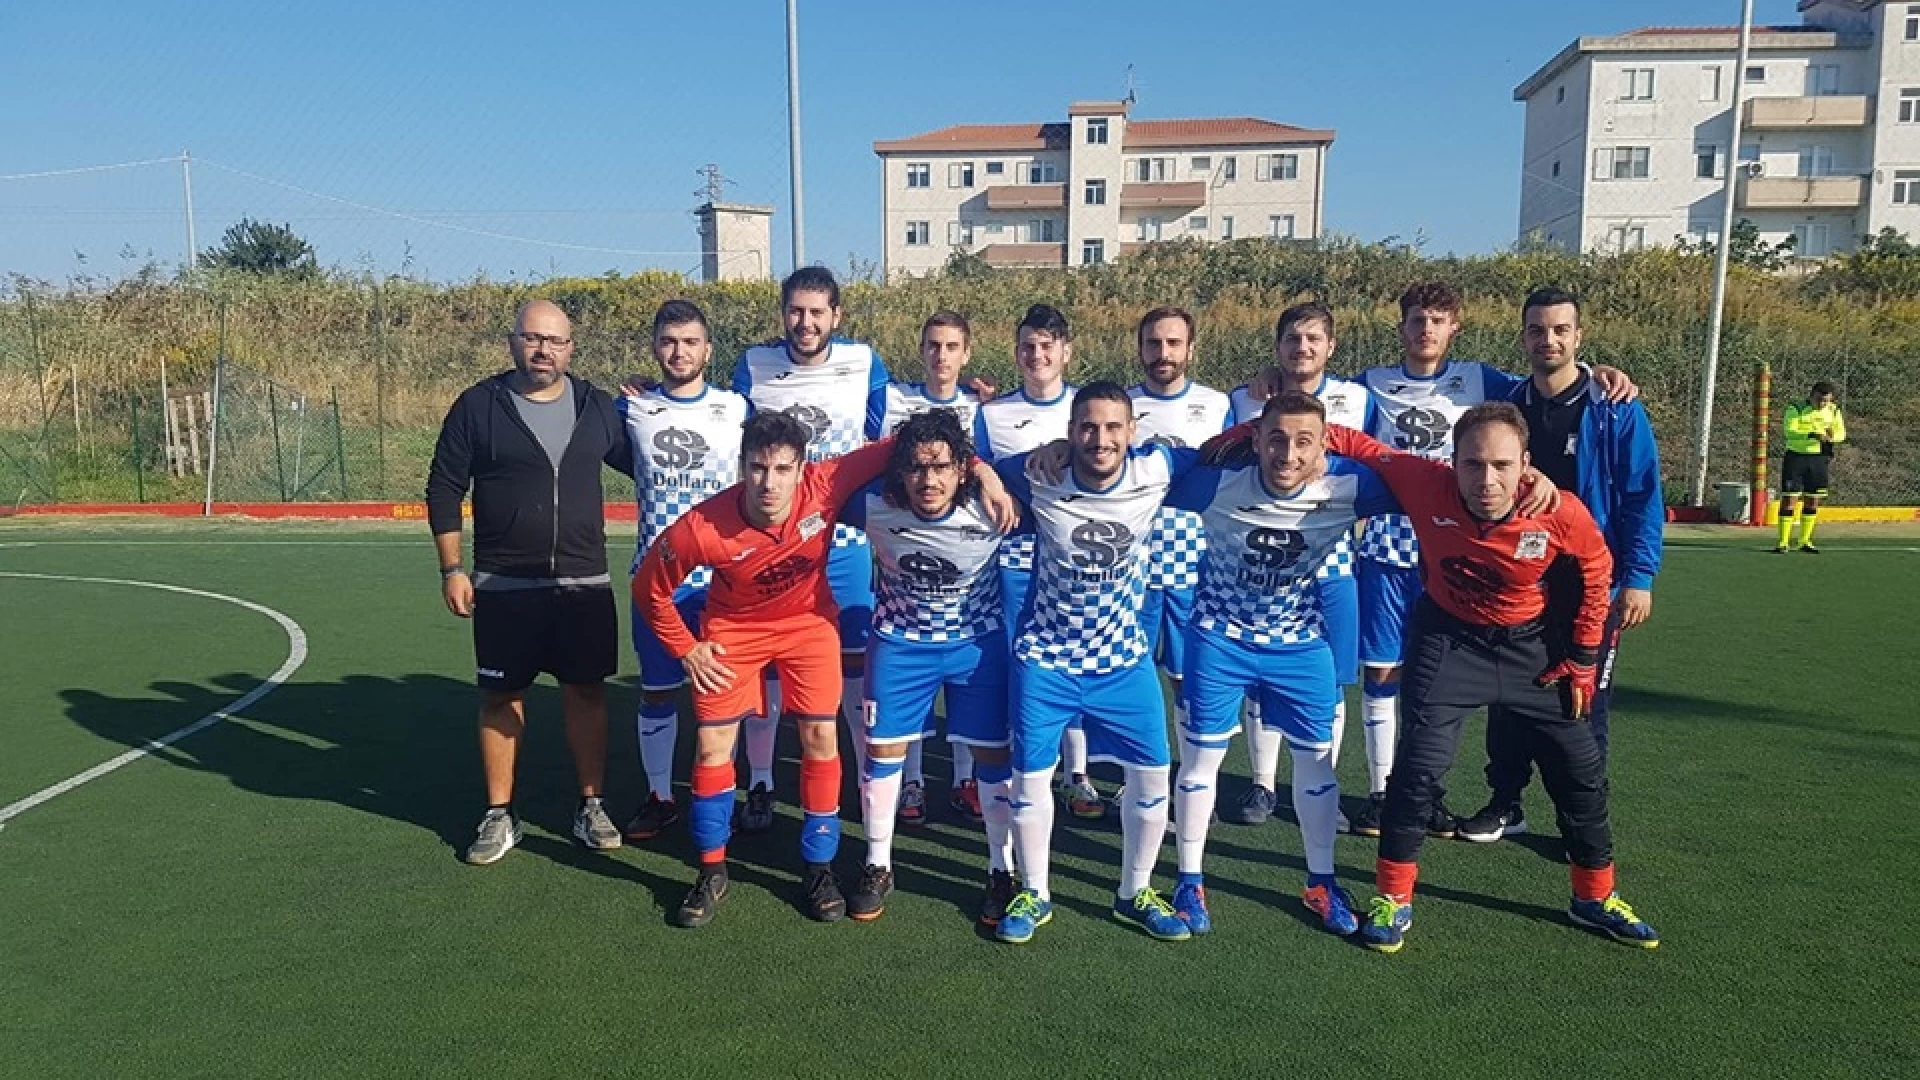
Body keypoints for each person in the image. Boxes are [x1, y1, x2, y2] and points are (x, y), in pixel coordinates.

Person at [1271, 405, 1659, 953]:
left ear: (1526, 464)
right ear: (1451, 463)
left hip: (1535, 649)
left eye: (1502, 464)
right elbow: (1350, 442)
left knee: (1580, 771)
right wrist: (1251, 434)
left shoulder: (1558, 509)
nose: (1487, 479)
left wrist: (1582, 658)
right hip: (1449, 641)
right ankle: (1392, 900)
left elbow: (1598, 572)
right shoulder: (1424, 482)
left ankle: (1593, 898)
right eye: (1472, 464)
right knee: (1417, 771)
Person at [633, 412, 1010, 928]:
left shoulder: (826, 482)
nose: (771, 482)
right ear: (742, 467)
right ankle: (710, 870)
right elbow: (648, 589)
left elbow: (914, 443)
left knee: (819, 737)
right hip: (734, 630)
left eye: (783, 469)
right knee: (712, 746)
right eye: (759, 468)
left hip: (808, 624)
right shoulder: (701, 527)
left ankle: (819, 867)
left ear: (801, 468)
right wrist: (686, 649)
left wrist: (983, 470)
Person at [1163, 392, 1397, 936]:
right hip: (1218, 639)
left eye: (1303, 442)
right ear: (1256, 440)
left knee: (1317, 766)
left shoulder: (1349, 485)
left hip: (1299, 643)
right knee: (1201, 764)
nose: (1287, 454)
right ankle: (1189, 880)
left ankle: (1322, 880)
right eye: (1275, 439)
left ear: (1323, 447)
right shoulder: (1218, 483)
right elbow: (1152, 470)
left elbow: (1424, 482)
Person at [990, 382, 1203, 945]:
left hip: (1123, 660)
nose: (1100, 439)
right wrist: (992, 476)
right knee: (1030, 780)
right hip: (1046, 660)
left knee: (1155, 778)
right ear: (1069, 432)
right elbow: (969, 464)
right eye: (1087, 427)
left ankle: (1135, 892)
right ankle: (1034, 891)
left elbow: (1219, 451)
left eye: (1113, 427)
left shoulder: (1156, 469)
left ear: (1133, 432)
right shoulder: (1039, 473)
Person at [425, 299, 635, 865]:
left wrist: (661, 408)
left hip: (583, 584)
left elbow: (654, 465)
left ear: (571, 348)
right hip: (503, 585)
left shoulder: (598, 408)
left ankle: (591, 805)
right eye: (532, 338)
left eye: (555, 341)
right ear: (513, 341)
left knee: (587, 693)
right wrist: (452, 568)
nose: (543, 350)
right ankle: (499, 814)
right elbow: (445, 488)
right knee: (500, 697)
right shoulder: (479, 407)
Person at [1460, 287, 1663, 842]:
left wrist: (1639, 578)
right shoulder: (1506, 399)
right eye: (1537, 330)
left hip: (1591, 581)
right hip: (1517, 579)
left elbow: (1643, 494)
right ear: (1522, 336)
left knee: (1583, 702)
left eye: (1559, 330)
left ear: (1579, 337)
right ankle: (1505, 803)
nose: (1547, 340)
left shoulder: (1614, 407)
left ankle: (1582, 822)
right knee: (1506, 695)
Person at [839, 409, 1017, 922]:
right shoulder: (872, 506)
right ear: (900, 472)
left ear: (962, 468)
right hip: (900, 643)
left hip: (976, 646)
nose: (928, 480)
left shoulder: (994, 510)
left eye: (941, 466)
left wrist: (989, 474)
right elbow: (824, 486)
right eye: (916, 468)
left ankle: (1000, 869)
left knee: (991, 756)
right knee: (882, 750)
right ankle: (876, 863)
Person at [730, 267, 891, 830]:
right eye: (796, 311)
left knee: (851, 669)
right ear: (783, 313)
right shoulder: (752, 366)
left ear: (836, 316)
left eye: (817, 311)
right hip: (772, 546)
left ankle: (854, 774)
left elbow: (884, 434)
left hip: (841, 543)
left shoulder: (865, 363)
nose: (806, 322)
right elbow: (734, 439)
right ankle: (762, 781)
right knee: (768, 669)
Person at [1226, 301, 1373, 829]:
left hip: (1331, 561)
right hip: (1259, 563)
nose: (1302, 347)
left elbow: (1376, 464)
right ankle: (1263, 785)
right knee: (1260, 676)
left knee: (1328, 679)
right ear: (1278, 346)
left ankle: (1318, 788)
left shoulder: (1358, 397)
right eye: (1293, 338)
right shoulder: (1244, 399)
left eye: (1314, 338)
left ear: (1330, 347)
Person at [617, 300, 750, 841]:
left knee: (722, 701)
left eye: (690, 341)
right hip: (658, 584)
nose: (679, 351)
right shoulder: (633, 410)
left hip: (721, 584)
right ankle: (659, 795)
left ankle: (719, 792)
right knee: (656, 691)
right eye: (670, 341)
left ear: (708, 350)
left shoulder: (738, 408)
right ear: (655, 347)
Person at [975, 304, 1101, 821]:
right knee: (1016, 665)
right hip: (1014, 561)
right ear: (1016, 352)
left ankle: (1079, 775)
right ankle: (1013, 770)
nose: (1037, 354)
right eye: (1028, 345)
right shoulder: (992, 412)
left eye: (1048, 345)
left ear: (1066, 352)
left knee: (1075, 659)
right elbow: (976, 467)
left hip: (1075, 565)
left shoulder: (1087, 409)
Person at [878, 311, 992, 825]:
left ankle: (967, 779)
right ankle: (914, 782)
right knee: (912, 652)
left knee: (971, 678)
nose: (941, 355)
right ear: (920, 349)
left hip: (970, 548)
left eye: (951, 346)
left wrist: (985, 475)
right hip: (903, 540)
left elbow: (986, 462)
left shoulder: (983, 404)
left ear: (966, 353)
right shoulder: (891, 398)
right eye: (932, 345)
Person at [1127, 306, 1233, 741]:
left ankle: (1190, 777)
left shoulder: (1218, 404)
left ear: (1191, 348)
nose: (1163, 352)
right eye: (1154, 343)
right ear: (1140, 349)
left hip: (1196, 566)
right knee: (1128, 674)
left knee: (1190, 678)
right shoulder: (1120, 405)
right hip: (1132, 564)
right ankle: (1126, 777)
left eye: (1173, 343)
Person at [1775, 381, 1847, 554]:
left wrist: (1832, 437)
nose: (1822, 404)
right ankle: (1783, 542)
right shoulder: (1796, 408)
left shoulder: (1833, 410)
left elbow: (1841, 433)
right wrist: (1811, 434)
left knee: (1813, 499)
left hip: (1819, 458)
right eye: (1819, 400)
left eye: (1826, 401)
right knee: (1789, 499)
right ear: (1811, 395)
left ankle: (1804, 541)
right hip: (1796, 457)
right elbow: (1789, 431)